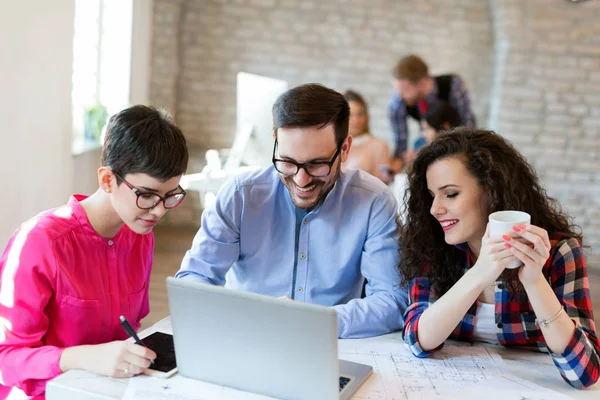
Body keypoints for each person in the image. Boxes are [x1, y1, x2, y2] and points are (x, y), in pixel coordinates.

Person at [176, 83, 407, 339]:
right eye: (287, 162)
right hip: (245, 338)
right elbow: (193, 280)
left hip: (328, 344)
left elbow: (392, 300)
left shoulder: (374, 201)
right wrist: (250, 316)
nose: (301, 180)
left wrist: (313, 322)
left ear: (344, 148)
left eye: (317, 165)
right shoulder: (240, 195)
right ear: (275, 140)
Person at [0, 105, 189, 399]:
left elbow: (130, 328)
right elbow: (6, 359)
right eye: (147, 195)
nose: (159, 210)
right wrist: (82, 357)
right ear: (107, 180)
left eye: (170, 196)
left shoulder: (139, 235)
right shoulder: (40, 243)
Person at [399, 128, 599, 389]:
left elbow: (584, 373)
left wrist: (534, 280)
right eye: (431, 195)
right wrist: (480, 273)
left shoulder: (557, 251)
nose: (435, 209)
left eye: (450, 194)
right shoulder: (432, 245)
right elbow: (418, 341)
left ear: (492, 192)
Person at [388, 54, 475, 170]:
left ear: (423, 83)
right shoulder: (399, 100)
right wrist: (401, 161)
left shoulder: (452, 85)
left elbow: (467, 129)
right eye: (397, 89)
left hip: (455, 150)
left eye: (405, 90)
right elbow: (400, 144)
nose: (399, 95)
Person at [342, 89, 393, 184]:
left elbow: (382, 187)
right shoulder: (333, 146)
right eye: (350, 115)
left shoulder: (379, 146)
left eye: (360, 114)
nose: (356, 120)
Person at [404, 101, 463, 167]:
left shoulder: (460, 154)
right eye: (423, 129)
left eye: (427, 129)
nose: (423, 134)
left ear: (446, 127)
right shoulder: (419, 143)